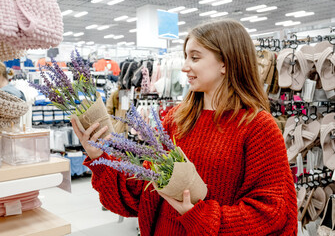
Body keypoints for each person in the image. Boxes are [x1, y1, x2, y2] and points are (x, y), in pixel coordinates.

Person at [71, 19, 297, 235]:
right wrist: (100, 156)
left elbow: (271, 212)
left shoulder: (258, 127)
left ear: (225, 63)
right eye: (186, 57)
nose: (185, 67)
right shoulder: (176, 119)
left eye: (195, 58)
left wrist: (199, 216)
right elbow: (144, 192)